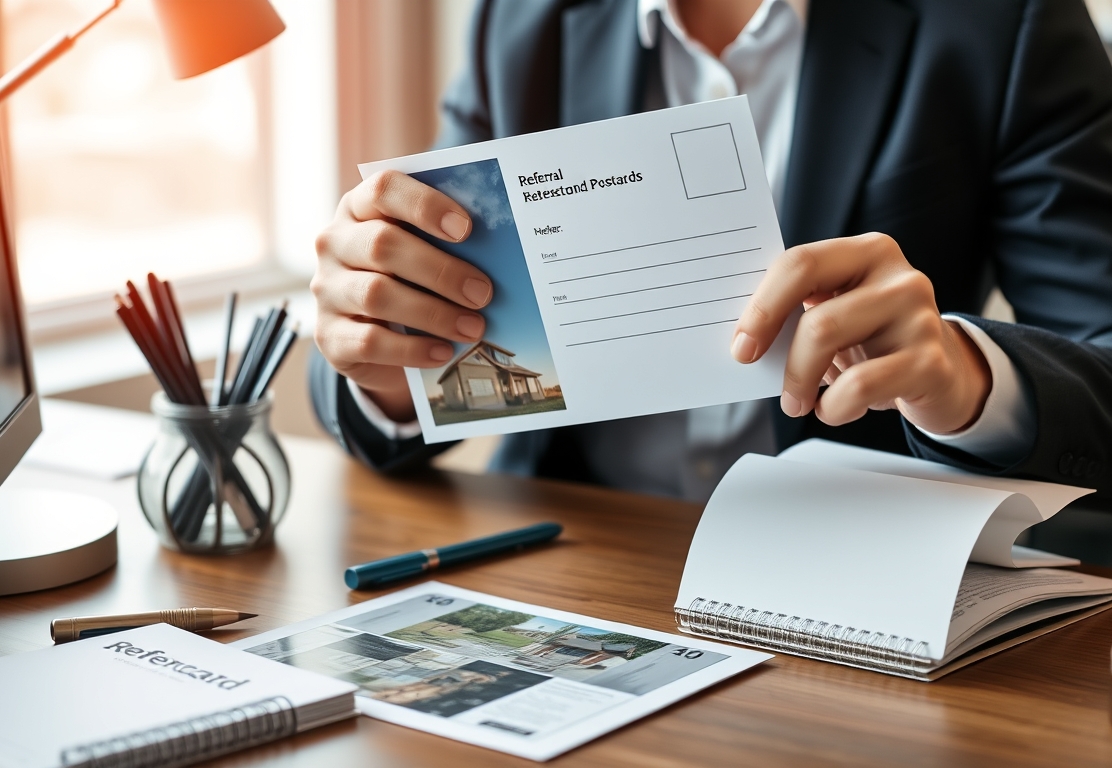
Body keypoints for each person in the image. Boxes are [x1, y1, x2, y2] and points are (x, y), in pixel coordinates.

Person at [309, 0, 1112, 502]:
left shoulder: (1006, 21)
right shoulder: (520, 19)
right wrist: (390, 368)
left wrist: (968, 376)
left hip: (861, 574)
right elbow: (427, 286)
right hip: (579, 558)